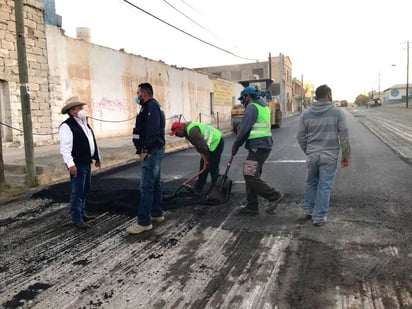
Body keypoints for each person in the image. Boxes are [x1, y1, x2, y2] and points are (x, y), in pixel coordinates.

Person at [296, 84, 351, 227]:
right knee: (324, 186)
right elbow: (344, 135)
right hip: (329, 154)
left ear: (316, 96)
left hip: (312, 154)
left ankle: (308, 210)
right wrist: (346, 155)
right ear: (328, 95)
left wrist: (308, 150)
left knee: (311, 182)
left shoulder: (306, 113)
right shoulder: (337, 113)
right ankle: (319, 217)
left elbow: (300, 136)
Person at [231, 86, 283, 214]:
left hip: (258, 146)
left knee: (249, 174)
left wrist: (236, 145)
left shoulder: (252, 107)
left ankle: (273, 196)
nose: (242, 101)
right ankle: (252, 206)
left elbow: (244, 129)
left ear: (248, 97)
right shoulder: (263, 106)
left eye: (243, 98)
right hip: (263, 145)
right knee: (252, 175)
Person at [127, 82, 166, 234]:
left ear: (144, 93)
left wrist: (144, 149)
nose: (137, 96)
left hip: (151, 151)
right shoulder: (148, 107)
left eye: (138, 93)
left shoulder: (151, 106)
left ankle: (144, 222)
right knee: (155, 183)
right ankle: (157, 213)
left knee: (145, 186)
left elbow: (152, 131)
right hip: (153, 150)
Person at [59, 96, 101, 229]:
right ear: (72, 111)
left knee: (86, 188)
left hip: (86, 161)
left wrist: (97, 157)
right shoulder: (67, 126)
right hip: (77, 164)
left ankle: (82, 212)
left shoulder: (84, 123)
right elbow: (65, 148)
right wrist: (70, 164)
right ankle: (76, 218)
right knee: (77, 191)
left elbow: (91, 140)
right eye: (80, 108)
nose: (83, 110)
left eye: (82, 108)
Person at [169, 121, 224, 193]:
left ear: (181, 128)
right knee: (203, 167)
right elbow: (199, 147)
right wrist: (205, 160)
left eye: (176, 133)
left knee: (213, 167)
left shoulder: (192, 132)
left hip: (216, 142)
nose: (176, 135)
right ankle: (198, 188)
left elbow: (203, 148)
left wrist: (206, 160)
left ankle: (217, 191)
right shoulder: (187, 132)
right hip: (206, 146)